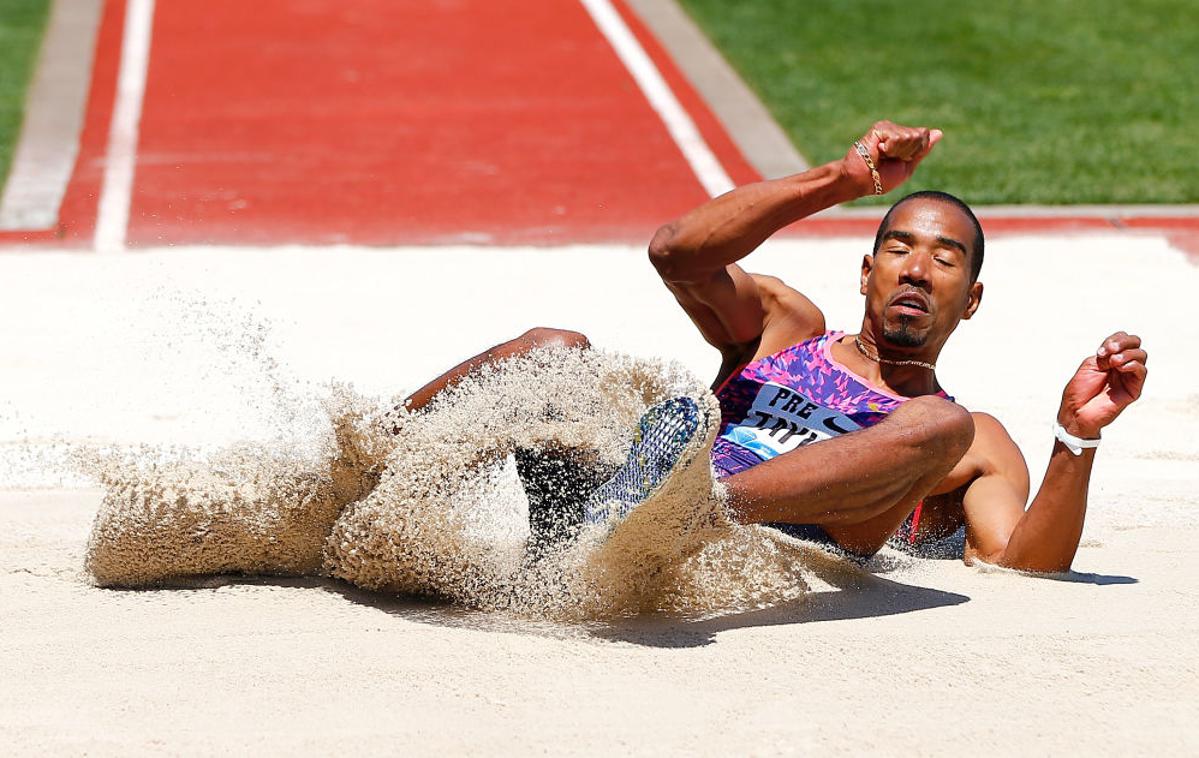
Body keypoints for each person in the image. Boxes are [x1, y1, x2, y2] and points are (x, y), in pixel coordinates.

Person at [397, 120, 1147, 573]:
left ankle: (685, 509)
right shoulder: (787, 330)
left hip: (752, 546)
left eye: (944, 259)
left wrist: (1072, 439)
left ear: (971, 299)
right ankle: (364, 463)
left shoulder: (970, 437)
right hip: (601, 520)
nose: (916, 269)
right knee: (551, 347)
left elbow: (1020, 563)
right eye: (898, 249)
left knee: (938, 425)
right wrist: (840, 179)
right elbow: (675, 253)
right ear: (866, 269)